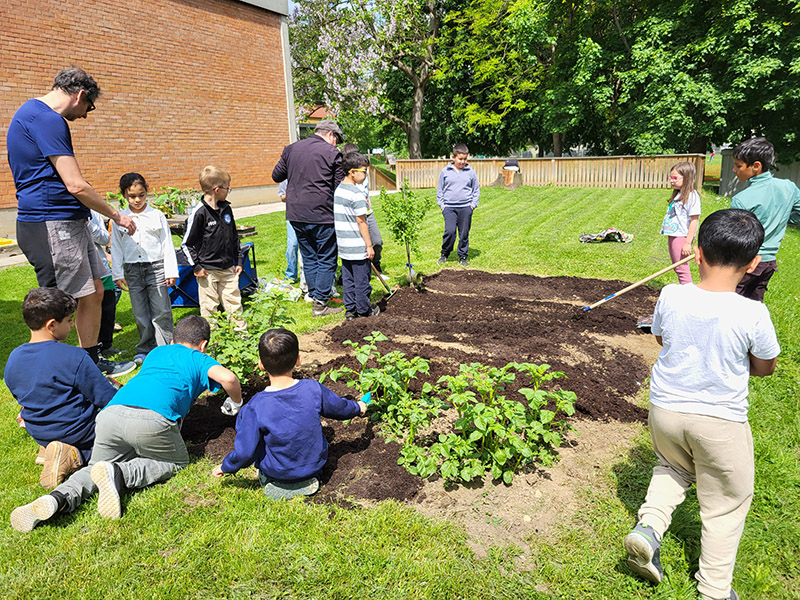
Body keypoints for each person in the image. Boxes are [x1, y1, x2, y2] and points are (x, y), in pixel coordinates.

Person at [623, 209, 780, 600]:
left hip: (666, 411)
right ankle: (714, 589)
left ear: (697, 254)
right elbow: (765, 367)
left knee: (672, 466)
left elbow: (661, 338)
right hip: (719, 421)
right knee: (726, 501)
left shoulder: (671, 295)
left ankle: (649, 527)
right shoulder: (753, 312)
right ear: (753, 264)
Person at [9, 315, 243, 532]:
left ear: (173, 340)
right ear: (203, 344)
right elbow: (229, 378)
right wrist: (236, 402)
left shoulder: (157, 352)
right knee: (175, 462)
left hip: (111, 415)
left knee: (95, 466)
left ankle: (57, 498)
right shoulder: (199, 357)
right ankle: (120, 473)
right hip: (153, 419)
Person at [6, 67, 136, 376]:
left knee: (95, 291)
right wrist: (117, 215)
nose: (86, 115)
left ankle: (90, 363)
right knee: (56, 305)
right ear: (79, 95)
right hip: (52, 224)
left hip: (68, 222)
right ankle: (46, 376)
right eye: (89, 107)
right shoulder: (48, 119)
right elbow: (75, 184)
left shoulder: (32, 113)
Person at [211, 328, 366, 499]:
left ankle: (272, 480)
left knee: (257, 437)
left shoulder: (255, 406)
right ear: (298, 360)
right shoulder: (313, 388)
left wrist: (226, 466)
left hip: (276, 473)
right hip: (313, 469)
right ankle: (305, 480)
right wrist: (358, 407)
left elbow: (246, 452)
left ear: (261, 365)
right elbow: (340, 408)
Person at [4, 288, 118, 489]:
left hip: (39, 430)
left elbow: (19, 394)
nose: (72, 324)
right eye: (69, 320)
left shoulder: (13, 358)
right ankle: (73, 455)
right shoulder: (74, 356)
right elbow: (107, 399)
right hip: (79, 431)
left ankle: (49, 448)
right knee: (121, 442)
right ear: (52, 325)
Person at [272, 120, 345, 317]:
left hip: (296, 214)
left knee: (309, 255)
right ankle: (320, 303)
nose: (337, 144)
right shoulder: (332, 153)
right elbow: (339, 188)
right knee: (326, 257)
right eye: (337, 140)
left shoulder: (291, 149)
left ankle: (314, 296)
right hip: (322, 214)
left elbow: (276, 176)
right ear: (330, 134)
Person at [110, 173, 178, 364]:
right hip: (132, 270)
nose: (137, 200)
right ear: (124, 195)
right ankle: (145, 348)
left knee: (161, 310)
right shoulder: (120, 219)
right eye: (132, 196)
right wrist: (117, 273)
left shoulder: (157, 215)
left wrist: (171, 271)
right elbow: (116, 247)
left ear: (147, 192)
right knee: (140, 312)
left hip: (156, 267)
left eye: (141, 195)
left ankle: (165, 348)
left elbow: (166, 243)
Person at [729, 137, 800, 301]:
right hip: (768, 264)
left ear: (756, 166)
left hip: (746, 263)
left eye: (738, 166)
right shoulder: (789, 187)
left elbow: (734, 239)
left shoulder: (741, 199)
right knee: (755, 306)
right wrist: (781, 217)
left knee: (729, 304)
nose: (734, 170)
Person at [181, 166, 246, 329]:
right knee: (209, 308)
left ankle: (241, 334)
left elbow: (234, 236)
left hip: (228, 268)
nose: (228, 191)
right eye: (227, 188)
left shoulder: (226, 209)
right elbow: (186, 244)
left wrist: (238, 259)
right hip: (207, 271)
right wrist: (196, 267)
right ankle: (213, 338)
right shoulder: (199, 213)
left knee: (234, 303)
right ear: (217, 190)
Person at [333, 152, 380, 320]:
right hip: (357, 246)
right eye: (364, 171)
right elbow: (361, 222)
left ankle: (350, 310)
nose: (366, 175)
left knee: (348, 280)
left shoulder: (339, 190)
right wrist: (369, 245)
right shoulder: (357, 194)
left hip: (344, 246)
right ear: (352, 172)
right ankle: (363, 310)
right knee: (362, 281)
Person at [341, 143, 387, 281]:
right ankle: (347, 273)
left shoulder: (362, 173)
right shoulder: (345, 177)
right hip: (352, 214)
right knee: (353, 245)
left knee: (377, 241)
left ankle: (376, 265)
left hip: (367, 212)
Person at [87, 210, 124, 358]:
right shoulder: (66, 213)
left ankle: (106, 345)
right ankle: (92, 347)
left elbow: (104, 239)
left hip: (101, 267)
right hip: (83, 270)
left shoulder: (93, 214)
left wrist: (89, 225)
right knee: (89, 310)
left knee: (108, 308)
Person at [436, 143, 480, 267]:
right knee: (450, 231)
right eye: (460, 159)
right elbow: (440, 189)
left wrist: (472, 205)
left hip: (466, 207)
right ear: (453, 157)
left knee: (464, 233)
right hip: (449, 207)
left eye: (465, 159)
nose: (463, 162)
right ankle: (444, 254)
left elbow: (476, 190)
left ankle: (463, 256)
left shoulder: (470, 172)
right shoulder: (445, 172)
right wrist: (442, 205)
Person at [660, 161, 701, 284]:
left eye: (675, 178)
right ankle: (686, 290)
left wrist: (687, 243)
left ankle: (688, 292)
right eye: (670, 178)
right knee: (677, 266)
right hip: (674, 235)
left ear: (686, 178)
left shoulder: (692, 196)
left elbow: (694, 220)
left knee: (681, 268)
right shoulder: (678, 194)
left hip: (681, 236)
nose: (671, 181)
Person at [278, 179, 306, 291]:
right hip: (292, 215)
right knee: (292, 245)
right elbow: (282, 197)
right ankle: (291, 275)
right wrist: (296, 193)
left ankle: (307, 275)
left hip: (308, 215)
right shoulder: (285, 178)